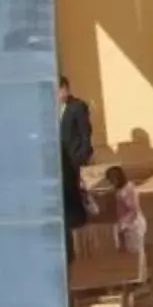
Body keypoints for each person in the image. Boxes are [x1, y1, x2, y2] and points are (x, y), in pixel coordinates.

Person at [58, 76, 93, 229]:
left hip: (74, 154)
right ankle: (71, 217)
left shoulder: (77, 106)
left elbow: (85, 132)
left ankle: (79, 218)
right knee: (66, 187)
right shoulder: (58, 108)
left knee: (73, 186)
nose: (57, 95)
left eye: (58, 90)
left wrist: (83, 154)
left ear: (65, 88)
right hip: (62, 155)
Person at [104, 165, 146, 271]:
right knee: (132, 251)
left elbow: (133, 210)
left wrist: (122, 224)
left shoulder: (127, 190)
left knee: (135, 251)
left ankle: (140, 276)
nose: (111, 183)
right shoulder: (124, 188)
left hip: (133, 225)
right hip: (129, 224)